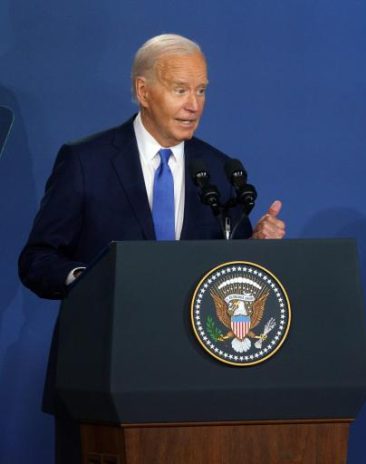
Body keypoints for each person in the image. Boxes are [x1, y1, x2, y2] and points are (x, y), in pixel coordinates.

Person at [18, 33, 286, 463]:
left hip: (195, 381)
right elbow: (37, 259)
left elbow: (228, 272)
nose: (194, 105)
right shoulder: (86, 161)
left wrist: (256, 248)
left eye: (201, 91)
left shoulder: (219, 170)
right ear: (143, 91)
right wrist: (87, 281)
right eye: (180, 90)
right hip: (100, 374)